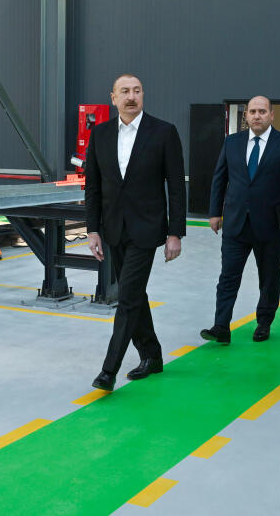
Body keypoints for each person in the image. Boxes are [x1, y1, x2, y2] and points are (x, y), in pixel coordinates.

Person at [84, 74, 186, 392]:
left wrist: (175, 233)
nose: (131, 96)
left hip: (147, 229)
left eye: (137, 91)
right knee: (136, 293)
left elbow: (176, 187)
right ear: (113, 98)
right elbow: (93, 186)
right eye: (125, 91)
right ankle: (152, 355)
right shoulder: (100, 134)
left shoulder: (164, 132)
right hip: (114, 228)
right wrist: (92, 229)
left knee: (127, 297)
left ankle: (108, 370)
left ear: (143, 95)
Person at [200, 95, 280, 345]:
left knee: (269, 278)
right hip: (235, 223)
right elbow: (220, 179)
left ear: (271, 115)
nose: (257, 116)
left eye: (262, 111)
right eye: (253, 111)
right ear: (246, 115)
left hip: (272, 225)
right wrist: (214, 213)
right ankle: (221, 326)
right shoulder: (232, 142)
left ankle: (264, 322)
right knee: (228, 277)